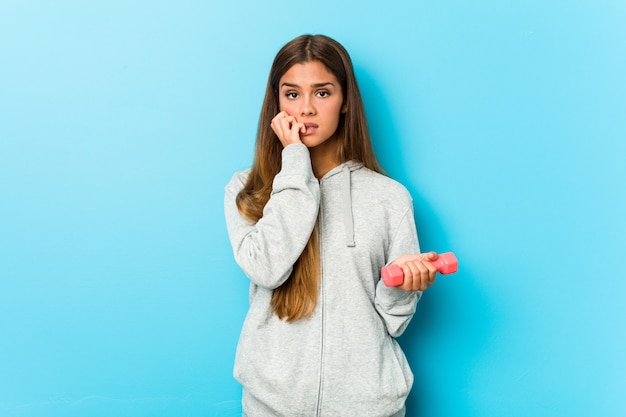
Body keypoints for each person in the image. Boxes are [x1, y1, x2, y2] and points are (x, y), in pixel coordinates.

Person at [224, 34, 440, 417]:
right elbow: (267, 269)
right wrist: (294, 163)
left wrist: (405, 287)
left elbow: (394, 321)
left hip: (368, 407)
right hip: (272, 406)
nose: (305, 109)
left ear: (344, 103)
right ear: (276, 102)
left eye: (322, 93)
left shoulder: (389, 198)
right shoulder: (248, 190)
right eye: (292, 94)